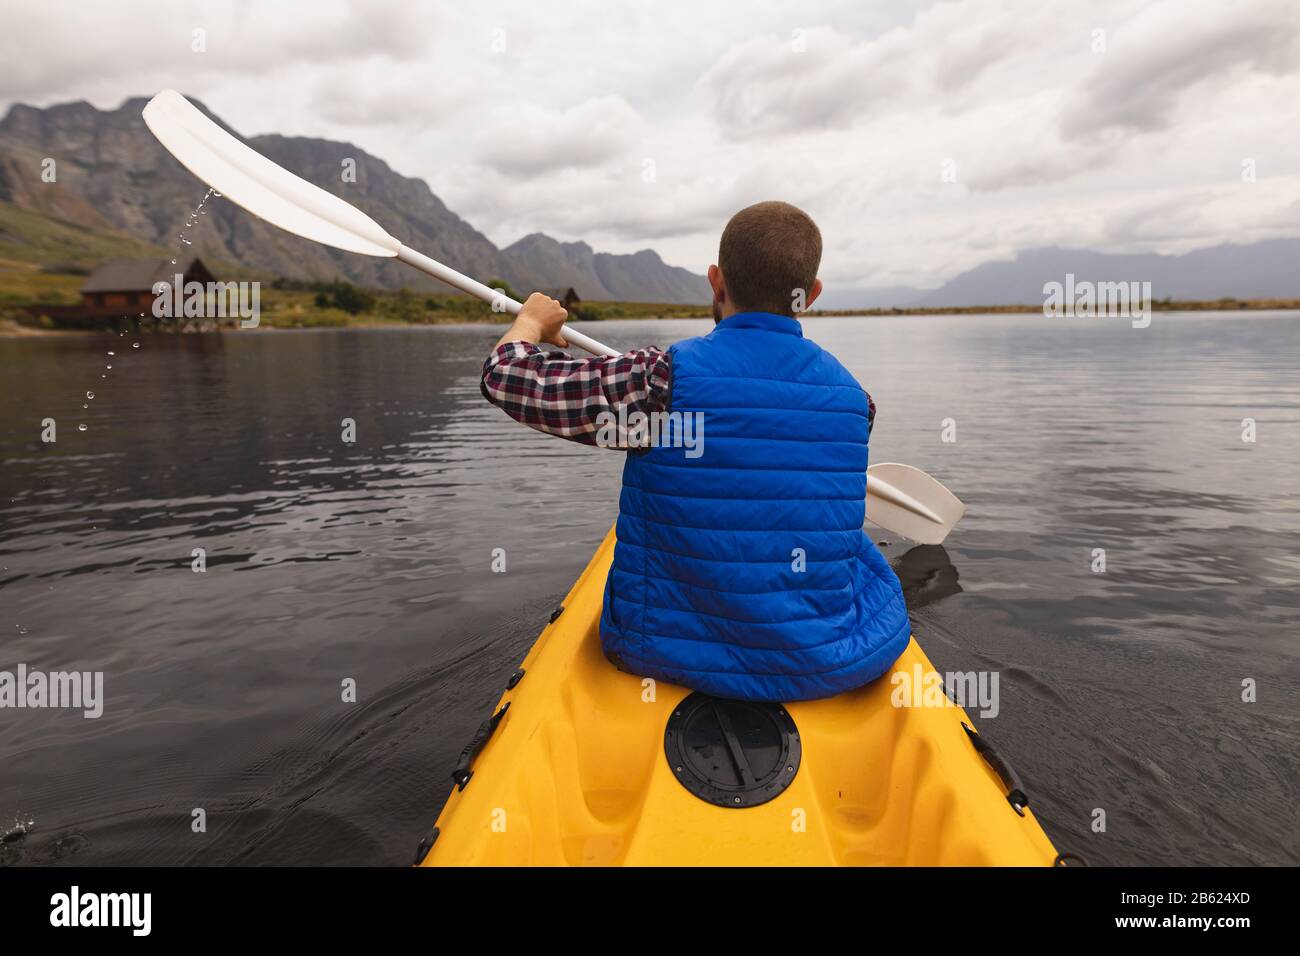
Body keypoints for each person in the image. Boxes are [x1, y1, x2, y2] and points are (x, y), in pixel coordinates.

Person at [481, 201, 910, 702]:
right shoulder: (857, 403)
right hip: (824, 656)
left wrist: (530, 324)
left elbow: (506, 378)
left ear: (716, 281)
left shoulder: (657, 380)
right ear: (811, 295)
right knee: (860, 556)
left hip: (656, 651)